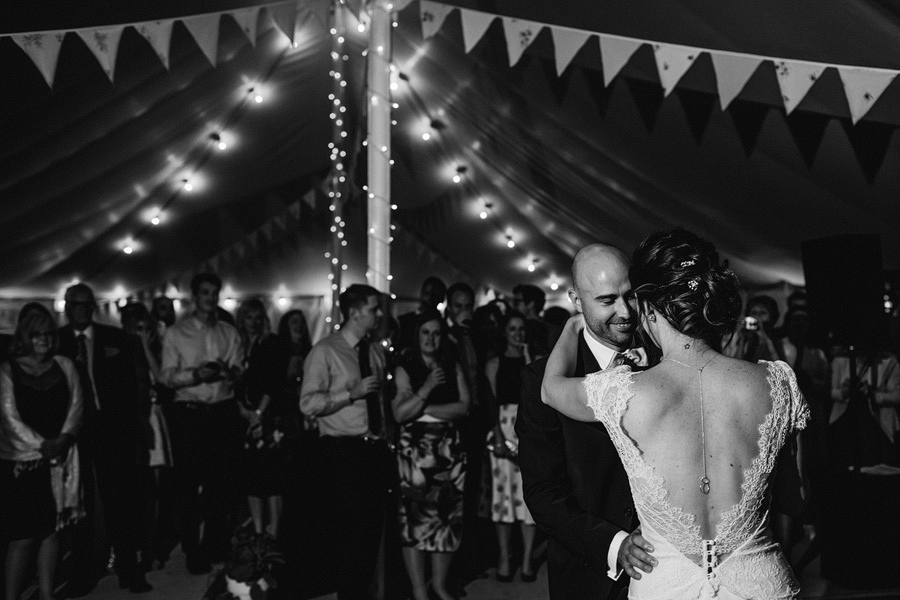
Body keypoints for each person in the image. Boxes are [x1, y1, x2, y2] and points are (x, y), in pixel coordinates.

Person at [542, 228, 808, 598]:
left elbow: (549, 388)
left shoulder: (620, 392)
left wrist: (573, 327)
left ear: (647, 308)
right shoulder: (777, 382)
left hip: (664, 587)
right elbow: (796, 499)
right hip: (760, 582)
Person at [516, 243, 650, 600]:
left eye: (630, 296)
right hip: (588, 573)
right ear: (576, 301)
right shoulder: (542, 379)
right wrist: (614, 543)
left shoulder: (662, 360)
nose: (625, 312)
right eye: (607, 301)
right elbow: (543, 492)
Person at [300, 284, 392, 600]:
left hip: (374, 449)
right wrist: (348, 394)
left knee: (372, 530)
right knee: (349, 532)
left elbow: (380, 404)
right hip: (343, 451)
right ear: (354, 313)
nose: (379, 315)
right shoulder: (325, 351)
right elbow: (308, 403)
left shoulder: (375, 351)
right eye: (373, 309)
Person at [58, 283, 151, 595]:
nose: (82, 309)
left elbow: (137, 383)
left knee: (120, 500)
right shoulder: (57, 341)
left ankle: (127, 567)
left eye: (86, 304)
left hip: (114, 427)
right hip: (75, 431)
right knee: (80, 504)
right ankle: (84, 572)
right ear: (67, 306)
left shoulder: (115, 338)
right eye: (76, 304)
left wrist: (139, 425)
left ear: (93, 306)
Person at [161, 273, 244, 575]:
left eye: (214, 293)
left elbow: (239, 370)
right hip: (190, 413)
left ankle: (214, 543)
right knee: (187, 483)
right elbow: (167, 376)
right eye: (205, 293)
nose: (210, 298)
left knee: (219, 484)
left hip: (221, 411)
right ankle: (192, 549)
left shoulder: (228, 332)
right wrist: (196, 375)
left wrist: (226, 372)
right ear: (195, 297)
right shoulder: (176, 333)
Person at [1, 303, 84, 600]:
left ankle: (47, 594)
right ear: (25, 336)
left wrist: (62, 440)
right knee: (22, 536)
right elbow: (9, 418)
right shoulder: (8, 370)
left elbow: (76, 407)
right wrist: (41, 446)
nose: (44, 339)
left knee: (52, 531)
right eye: (37, 334)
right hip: (23, 464)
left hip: (60, 461)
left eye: (48, 334)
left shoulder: (65, 365)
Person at [391, 309, 470, 600]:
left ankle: (439, 584)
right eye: (425, 332)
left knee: (446, 518)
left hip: (449, 450)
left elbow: (463, 407)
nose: (431, 338)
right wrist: (426, 389)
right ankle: (418, 590)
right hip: (416, 452)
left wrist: (422, 408)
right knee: (415, 519)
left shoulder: (452, 366)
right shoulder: (405, 367)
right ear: (417, 335)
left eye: (436, 333)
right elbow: (400, 413)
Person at [120, 302, 176, 572]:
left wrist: (144, 346)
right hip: (130, 425)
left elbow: (161, 378)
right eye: (136, 329)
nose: (141, 333)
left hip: (154, 420)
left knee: (154, 491)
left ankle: (152, 549)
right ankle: (121, 552)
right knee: (129, 493)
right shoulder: (119, 352)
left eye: (145, 329)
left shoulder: (157, 351)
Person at [485, 311, 537, 583]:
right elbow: (490, 401)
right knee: (502, 498)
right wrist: (495, 433)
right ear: (504, 332)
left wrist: (528, 359)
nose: (518, 334)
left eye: (521, 329)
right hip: (503, 426)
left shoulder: (533, 360)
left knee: (528, 497)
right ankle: (505, 558)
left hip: (528, 427)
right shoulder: (494, 362)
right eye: (513, 329)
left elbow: (537, 394)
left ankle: (527, 559)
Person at [235, 298, 291, 541]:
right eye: (249, 317)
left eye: (258, 317)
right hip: (246, 417)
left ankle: (274, 532)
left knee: (273, 476)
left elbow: (274, 382)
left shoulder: (272, 343)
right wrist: (244, 412)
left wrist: (258, 415)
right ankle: (258, 532)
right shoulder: (239, 345)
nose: (254, 322)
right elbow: (235, 384)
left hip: (269, 417)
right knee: (252, 476)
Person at [396, 276, 447, 353]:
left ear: (442, 298)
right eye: (428, 293)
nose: (431, 298)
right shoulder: (405, 321)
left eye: (435, 295)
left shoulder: (444, 325)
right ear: (421, 294)